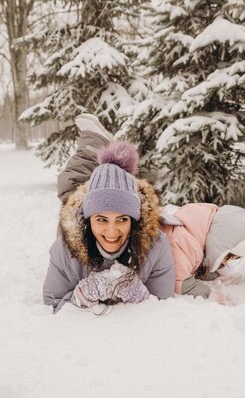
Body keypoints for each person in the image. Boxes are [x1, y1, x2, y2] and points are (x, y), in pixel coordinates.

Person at [43, 114, 175, 312]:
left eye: (122, 219)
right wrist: (78, 297)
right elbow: (51, 303)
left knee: (74, 184)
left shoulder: (156, 246)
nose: (112, 232)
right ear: (87, 219)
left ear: (134, 220)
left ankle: (98, 145)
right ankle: (95, 139)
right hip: (79, 229)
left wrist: (143, 296)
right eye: (102, 219)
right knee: (71, 184)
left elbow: (165, 304)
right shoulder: (65, 249)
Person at [160, 202, 245, 302]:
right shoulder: (183, 242)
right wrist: (208, 293)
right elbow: (181, 282)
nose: (225, 262)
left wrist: (216, 276)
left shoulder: (200, 233)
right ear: (220, 245)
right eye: (227, 257)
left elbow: (197, 266)